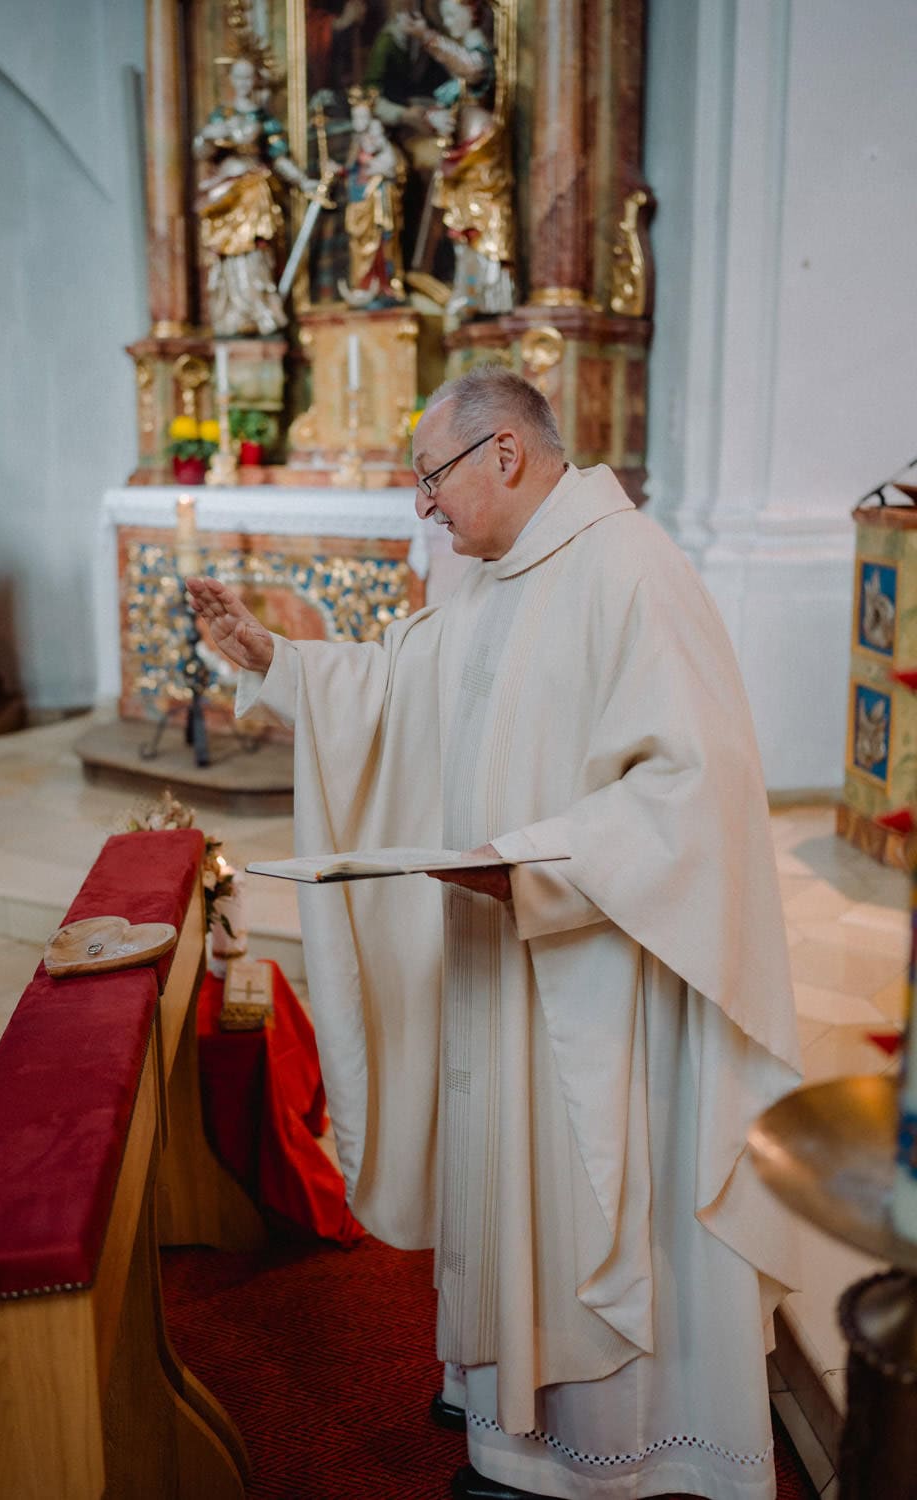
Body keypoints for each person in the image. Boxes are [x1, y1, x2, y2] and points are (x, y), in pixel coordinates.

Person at [186, 366, 801, 1500]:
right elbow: (401, 691)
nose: (424, 507)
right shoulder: (488, 577)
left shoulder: (630, 572)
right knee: (510, 1187)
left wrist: (542, 867)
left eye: (432, 479)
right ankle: (499, 1398)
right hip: (498, 956)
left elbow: (693, 794)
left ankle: (606, 1454)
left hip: (591, 979)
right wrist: (274, 663)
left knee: (584, 1198)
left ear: (504, 454)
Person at [398, 0, 516, 319]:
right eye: (444, 17)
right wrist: (437, 118)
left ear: (473, 11)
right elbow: (455, 96)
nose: (449, 23)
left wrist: (427, 35)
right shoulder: (463, 59)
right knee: (463, 224)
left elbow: (472, 69)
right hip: (463, 154)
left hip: (482, 155)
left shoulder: (479, 52)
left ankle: (491, 294)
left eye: (453, 14)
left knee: (482, 222)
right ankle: (472, 292)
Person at [194, 56, 316, 336]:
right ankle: (232, 312)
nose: (243, 83)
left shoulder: (264, 120)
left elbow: (280, 157)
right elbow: (202, 152)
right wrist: (209, 136)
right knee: (226, 249)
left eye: (249, 77)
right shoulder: (221, 115)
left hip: (254, 190)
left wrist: (303, 181)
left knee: (253, 247)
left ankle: (257, 307)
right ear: (231, 79)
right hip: (225, 190)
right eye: (238, 77)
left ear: (256, 81)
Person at [338, 88, 408, 306]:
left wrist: (374, 167)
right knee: (359, 243)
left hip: (378, 202)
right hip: (359, 201)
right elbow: (351, 169)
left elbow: (393, 167)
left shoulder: (379, 141)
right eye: (355, 117)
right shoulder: (357, 143)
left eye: (362, 116)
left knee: (380, 242)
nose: (358, 121)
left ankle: (384, 285)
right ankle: (362, 284)